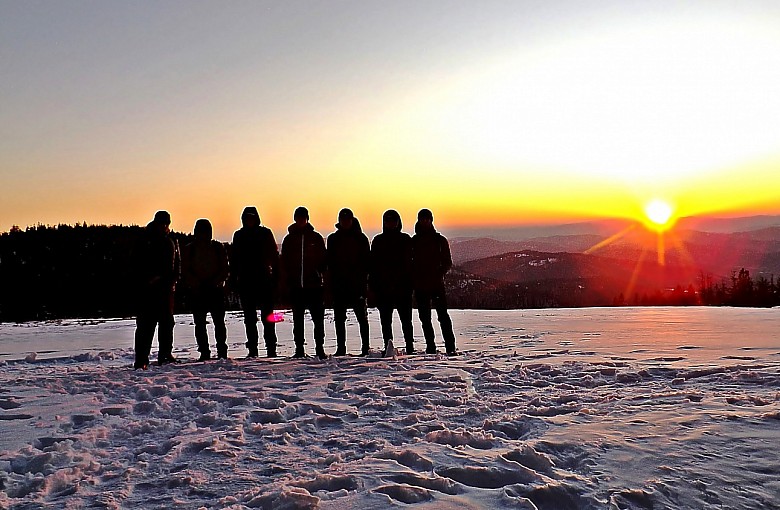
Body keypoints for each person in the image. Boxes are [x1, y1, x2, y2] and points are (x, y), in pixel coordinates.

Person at [133, 210, 180, 369]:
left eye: (167, 224)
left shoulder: (170, 241)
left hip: (165, 290)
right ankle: (141, 359)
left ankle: (165, 355)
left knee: (166, 323)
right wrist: (149, 279)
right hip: (148, 291)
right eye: (163, 223)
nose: (165, 226)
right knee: (146, 325)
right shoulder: (145, 240)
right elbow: (137, 264)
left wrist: (172, 280)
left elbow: (176, 265)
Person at [231, 206, 279, 357]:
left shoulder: (265, 233)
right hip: (246, 282)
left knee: (268, 317)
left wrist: (276, 279)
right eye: (247, 218)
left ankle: (271, 348)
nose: (250, 220)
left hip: (264, 280)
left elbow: (274, 256)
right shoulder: (239, 235)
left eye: (252, 217)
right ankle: (253, 349)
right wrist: (234, 280)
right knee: (249, 318)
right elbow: (234, 260)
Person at [281, 206, 327, 359]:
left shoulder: (316, 238)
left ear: (307, 218)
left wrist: (320, 275)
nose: (301, 220)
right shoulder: (289, 239)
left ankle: (319, 347)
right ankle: (299, 348)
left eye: (303, 217)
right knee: (298, 320)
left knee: (318, 319)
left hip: (314, 286)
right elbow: (284, 261)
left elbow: (323, 260)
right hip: (296, 286)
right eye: (298, 217)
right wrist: (287, 280)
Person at [181, 219, 229, 361]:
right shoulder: (190, 249)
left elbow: (225, 268)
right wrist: (195, 284)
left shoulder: (217, 247)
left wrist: (216, 282)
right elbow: (185, 269)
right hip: (198, 291)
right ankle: (204, 351)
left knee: (219, 323)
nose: (202, 234)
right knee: (200, 324)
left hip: (215, 291)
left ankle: (221, 351)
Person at [370, 209, 415, 354]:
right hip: (384, 288)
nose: (391, 223)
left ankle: (410, 347)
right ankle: (388, 346)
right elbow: (373, 265)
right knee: (386, 321)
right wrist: (373, 286)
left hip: (403, 287)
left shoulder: (405, 240)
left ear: (398, 222)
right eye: (388, 221)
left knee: (406, 320)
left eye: (393, 220)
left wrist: (410, 283)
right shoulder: (378, 241)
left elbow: (412, 263)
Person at [327, 208, 370, 356]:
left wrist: (363, 283)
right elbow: (330, 263)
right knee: (339, 319)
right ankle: (341, 348)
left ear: (352, 220)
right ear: (339, 221)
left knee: (362, 318)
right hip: (339, 285)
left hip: (357, 285)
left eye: (347, 219)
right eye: (342, 219)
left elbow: (367, 263)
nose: (345, 222)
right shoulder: (333, 239)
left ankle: (365, 348)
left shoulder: (361, 238)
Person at [412, 209, 457, 355]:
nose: (425, 221)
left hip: (436, 285)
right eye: (422, 219)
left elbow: (447, 262)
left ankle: (450, 347)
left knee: (442, 316)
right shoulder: (414, 241)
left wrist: (438, 274)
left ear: (431, 220)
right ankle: (430, 347)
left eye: (427, 219)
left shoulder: (440, 240)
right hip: (421, 286)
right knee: (425, 318)